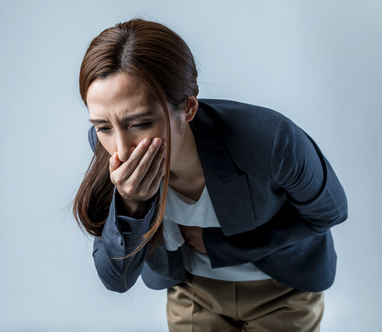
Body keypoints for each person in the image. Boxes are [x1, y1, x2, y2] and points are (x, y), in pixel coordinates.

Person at [73, 18, 347, 332]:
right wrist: (131, 204)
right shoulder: (107, 150)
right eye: (104, 126)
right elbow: (115, 279)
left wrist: (220, 245)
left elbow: (329, 213)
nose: (123, 149)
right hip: (191, 294)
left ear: (188, 107)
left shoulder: (271, 141)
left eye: (140, 123)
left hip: (281, 288)